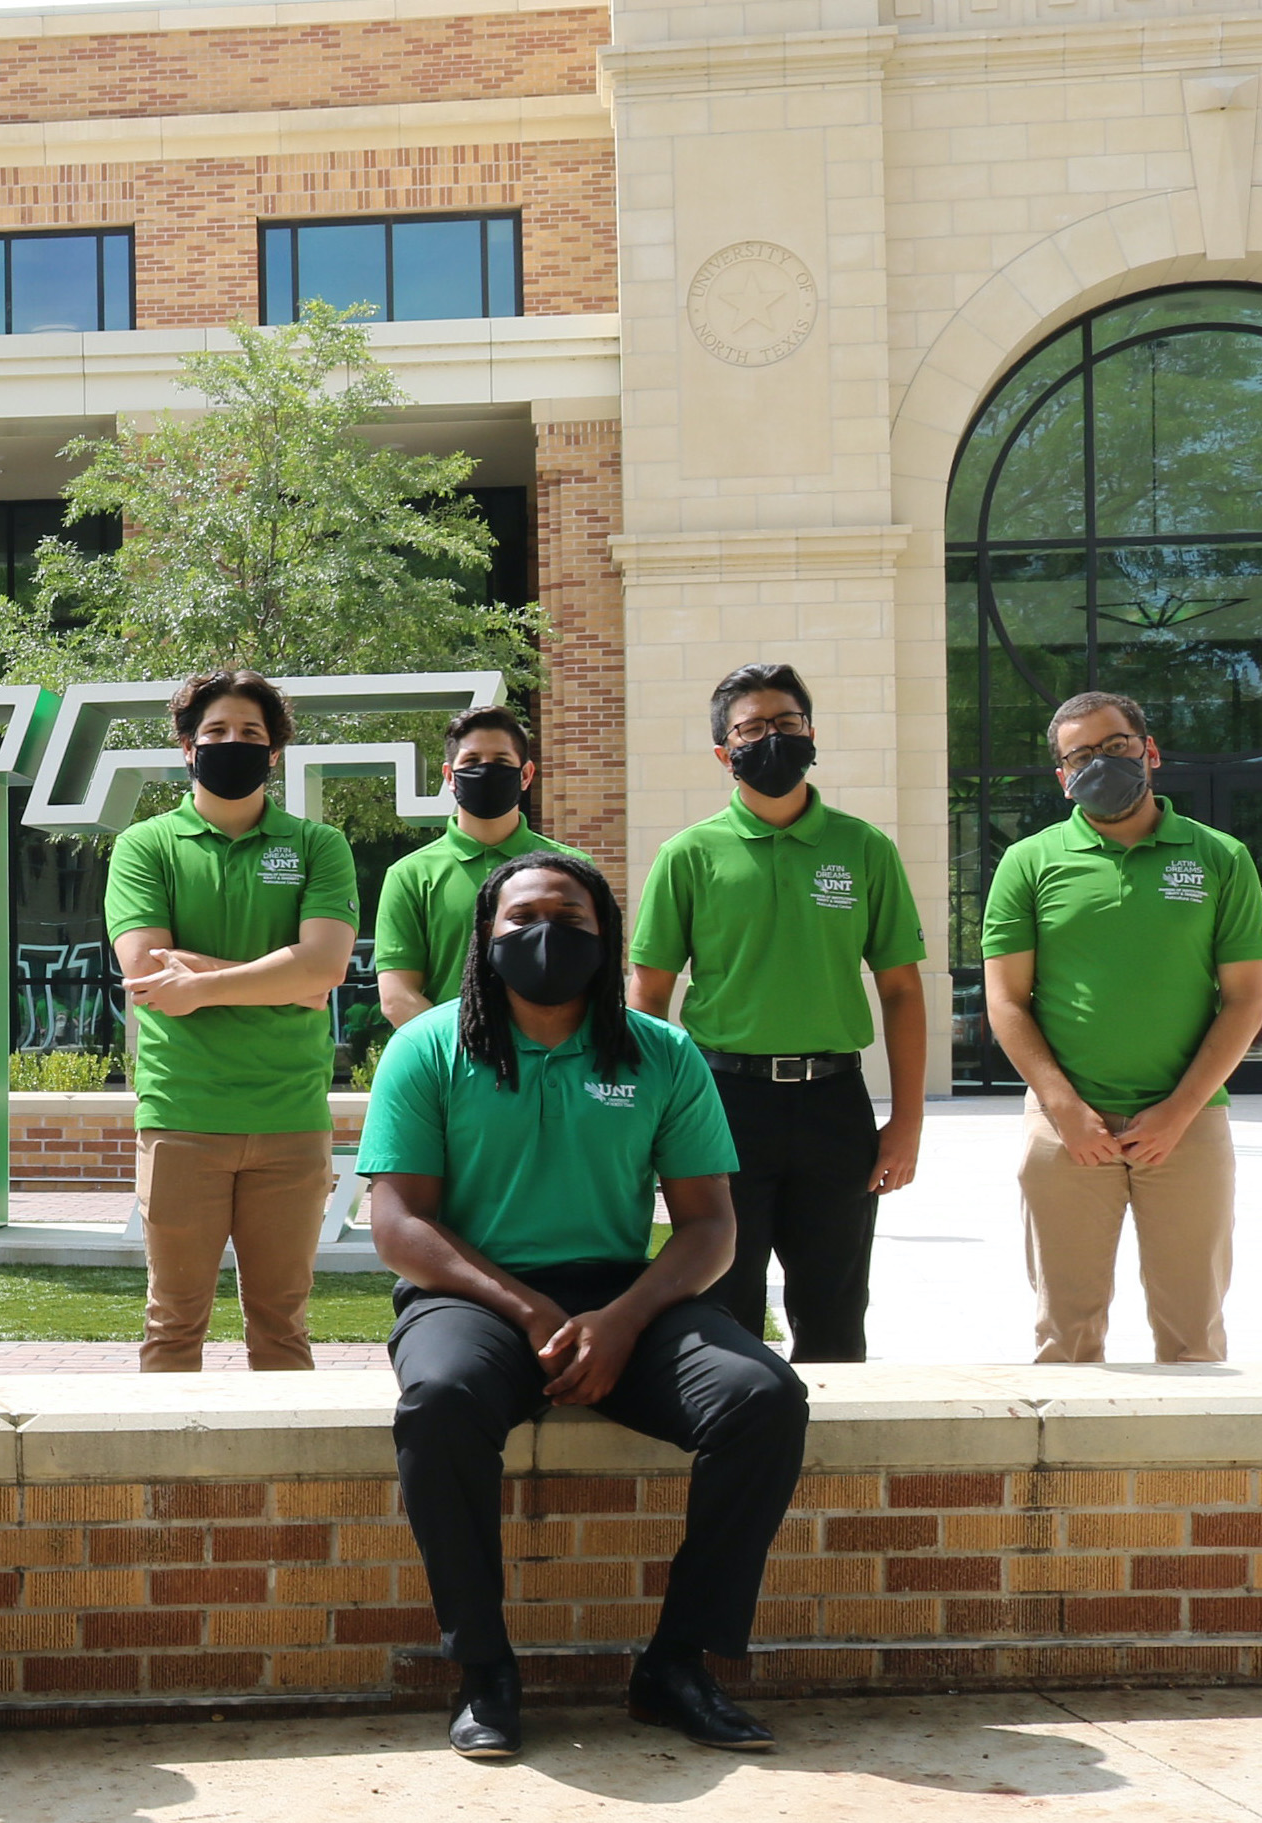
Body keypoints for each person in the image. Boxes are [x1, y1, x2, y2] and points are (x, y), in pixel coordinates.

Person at [361, 851, 804, 1762]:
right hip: (471, 1296)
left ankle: (676, 1666)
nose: (543, 933)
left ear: (606, 940)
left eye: (569, 915)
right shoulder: (430, 1044)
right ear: (485, 938)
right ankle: (484, 1669)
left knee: (762, 1399)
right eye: (519, 918)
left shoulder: (661, 1051)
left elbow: (709, 1226)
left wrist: (626, 1319)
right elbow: (401, 1223)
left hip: (619, 1294)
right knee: (439, 1404)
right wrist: (527, 1315)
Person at [626, 666, 929, 1363]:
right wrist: (657, 1115)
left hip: (835, 1105)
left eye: (787, 723)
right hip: (722, 1105)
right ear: (723, 752)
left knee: (835, 1308)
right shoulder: (690, 855)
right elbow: (648, 994)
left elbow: (903, 991)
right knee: (721, 1300)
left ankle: (831, 1462)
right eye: (752, 728)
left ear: (812, 734)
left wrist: (907, 1120)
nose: (772, 738)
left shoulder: (863, 849)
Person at [979, 691, 1262, 1363]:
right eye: (1079, 755)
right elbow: (1007, 1001)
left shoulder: (1220, 857)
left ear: (1150, 752)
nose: (1099, 763)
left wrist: (1176, 1113)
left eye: (1114, 747)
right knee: (1066, 1342)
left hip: (1188, 1127)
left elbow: (1246, 1001)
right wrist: (1066, 1111)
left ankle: (1192, 1472)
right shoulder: (1029, 862)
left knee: (1194, 1339)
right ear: (1061, 777)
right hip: (1065, 1131)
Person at [106, 669, 359, 1371]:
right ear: (187, 747)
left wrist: (207, 984)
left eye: (251, 733)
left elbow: (326, 969)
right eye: (216, 731)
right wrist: (284, 978)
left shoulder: (317, 846)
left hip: (290, 1115)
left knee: (282, 1332)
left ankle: (288, 1481)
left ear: (274, 752)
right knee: (172, 1327)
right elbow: (149, 971)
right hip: (182, 1112)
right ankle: (167, 1484)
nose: (233, 743)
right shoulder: (146, 846)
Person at [372, 706, 576, 1029]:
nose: (486, 770)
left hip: (553, 1069)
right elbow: (397, 996)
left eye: (500, 761)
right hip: (454, 1070)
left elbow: (590, 980)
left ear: (525, 775)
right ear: (450, 777)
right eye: (472, 761)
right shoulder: (409, 876)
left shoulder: (573, 871)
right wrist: (474, 1047)